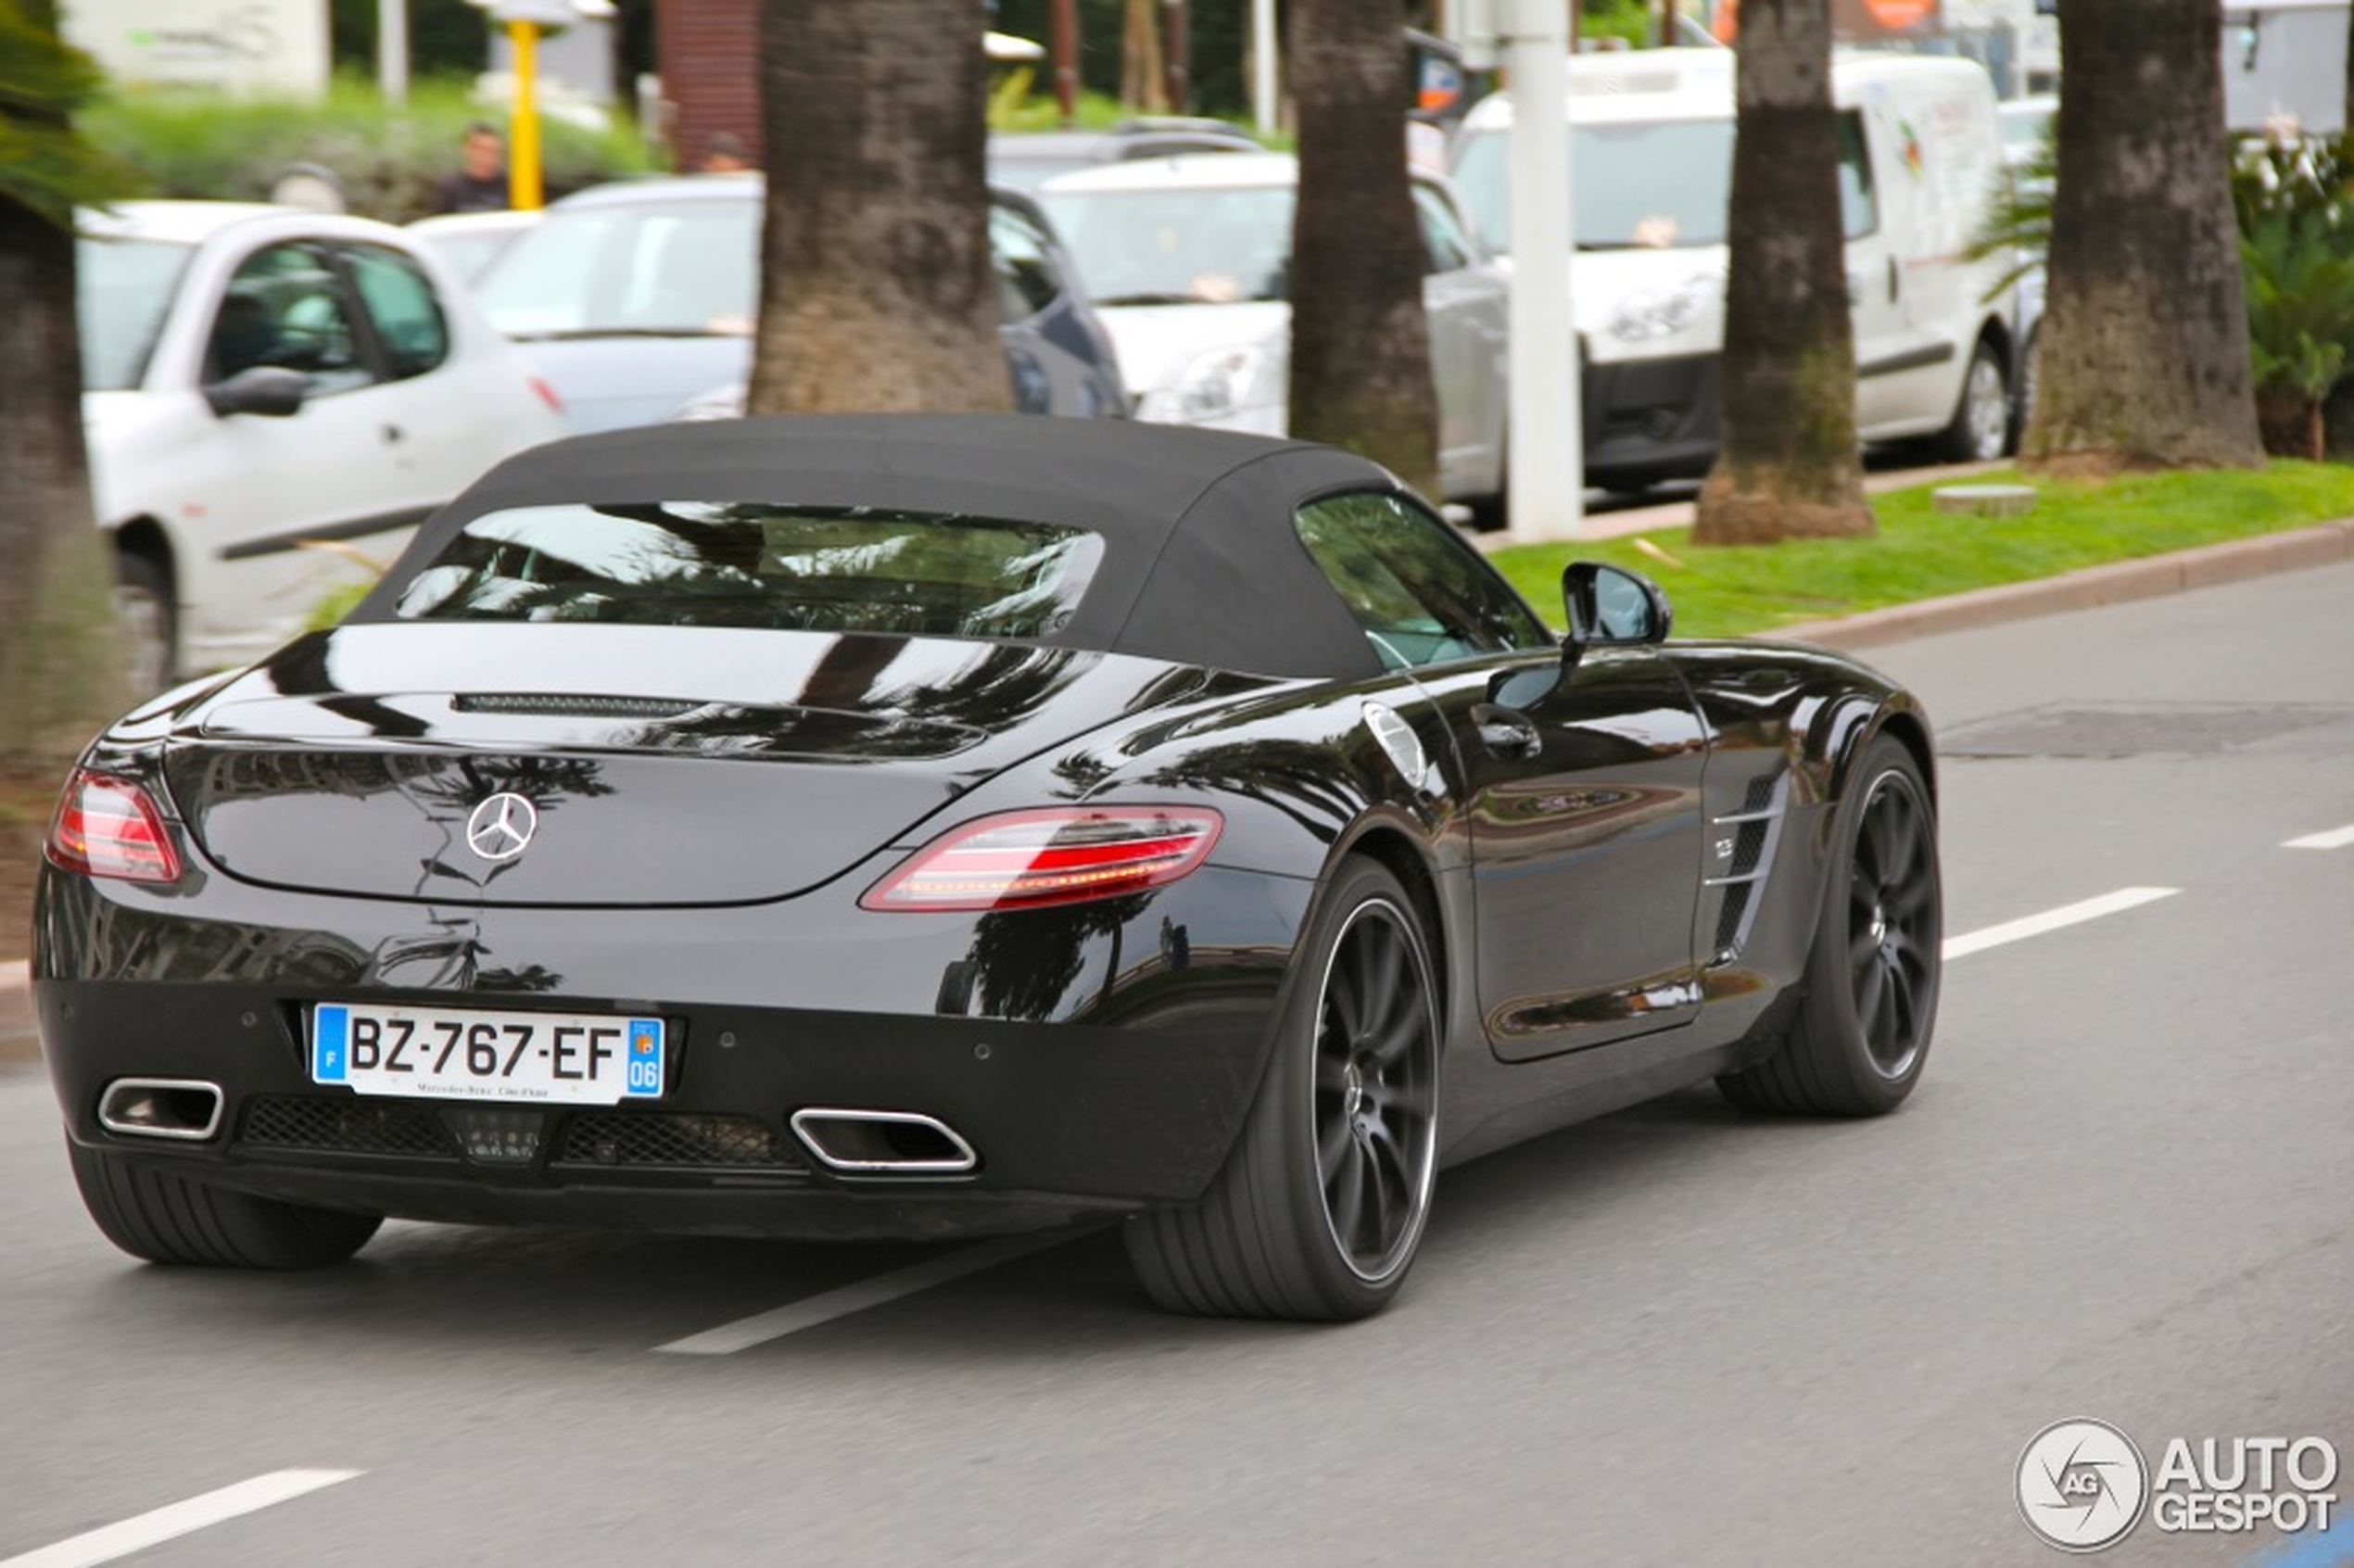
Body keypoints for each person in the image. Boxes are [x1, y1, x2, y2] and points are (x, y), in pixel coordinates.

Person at [435, 122, 509, 213]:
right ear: (466, 149)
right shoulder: (450, 188)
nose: (486, 155)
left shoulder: (511, 185)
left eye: (492, 150)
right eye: (481, 149)